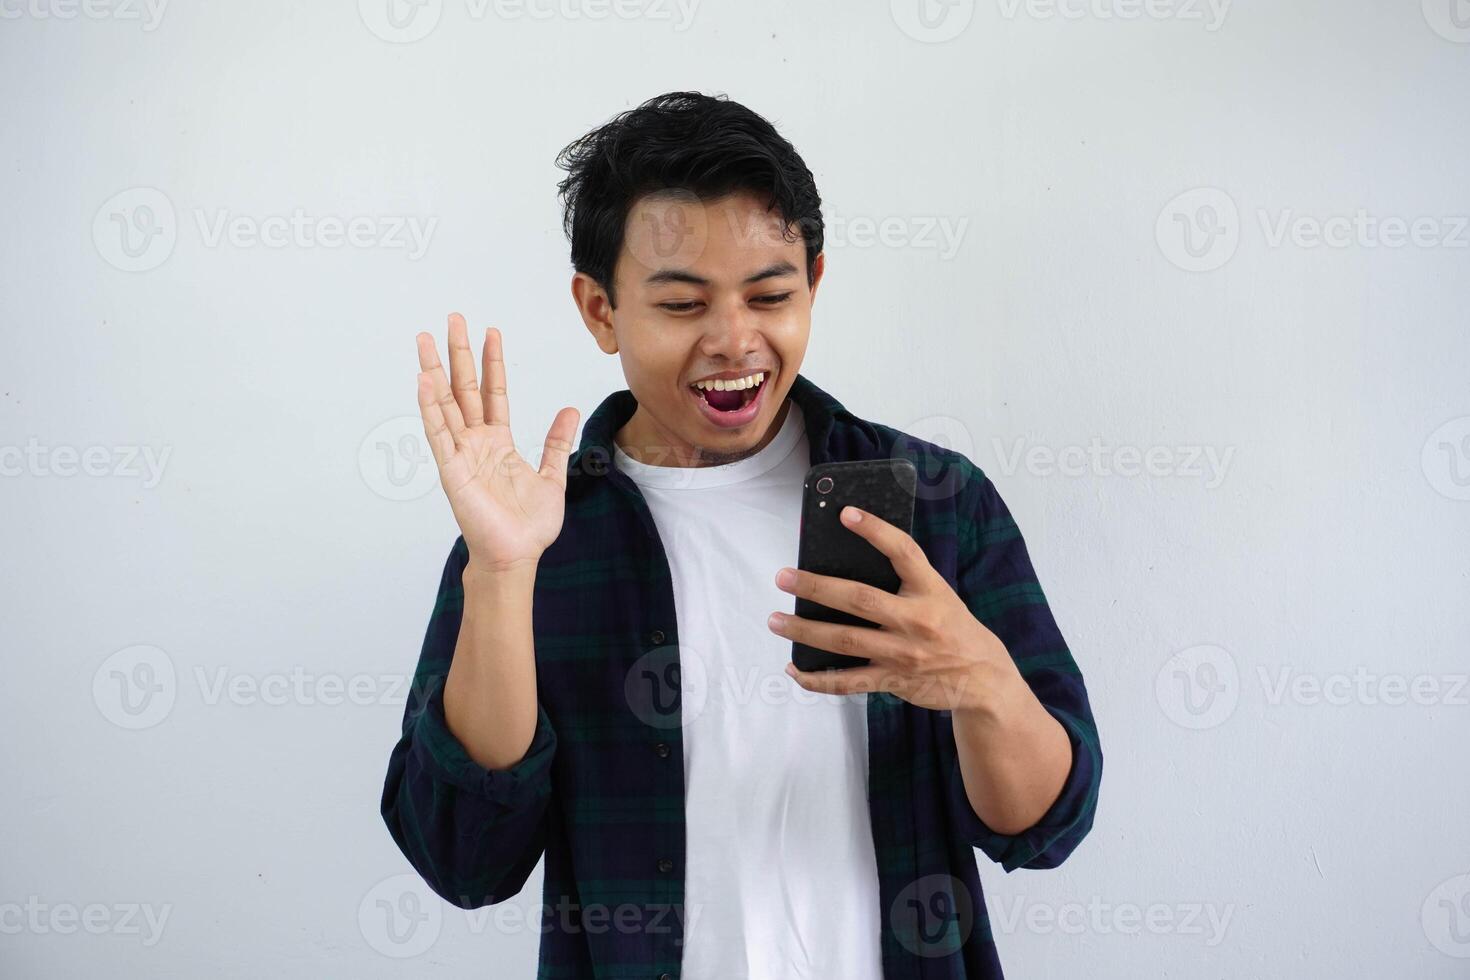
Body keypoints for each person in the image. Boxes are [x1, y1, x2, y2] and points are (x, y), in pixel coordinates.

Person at [380, 90, 1102, 979]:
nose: (735, 340)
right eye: (682, 305)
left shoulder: (938, 502)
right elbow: (464, 861)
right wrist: (498, 571)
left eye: (769, 295)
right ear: (600, 310)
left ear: (815, 283)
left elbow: (1045, 828)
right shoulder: (533, 535)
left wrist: (983, 685)